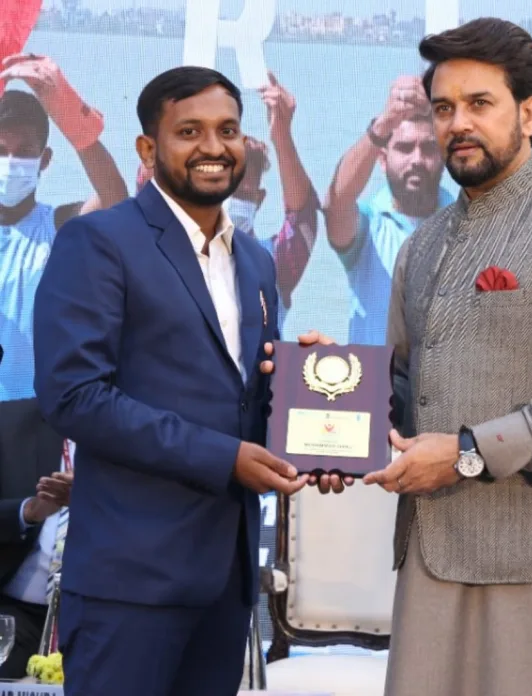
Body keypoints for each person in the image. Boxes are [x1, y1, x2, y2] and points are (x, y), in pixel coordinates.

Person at [31, 66, 341, 696]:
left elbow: (244, 402)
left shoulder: (254, 261)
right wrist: (225, 458)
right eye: (189, 131)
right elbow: (75, 396)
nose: (213, 147)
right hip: (130, 586)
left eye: (227, 130)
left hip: (226, 585)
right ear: (148, 149)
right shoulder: (99, 241)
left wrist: (313, 402)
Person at [362, 18, 532, 696]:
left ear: (529, 113)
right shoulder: (422, 246)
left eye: (479, 104)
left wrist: (465, 453)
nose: (457, 123)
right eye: (443, 108)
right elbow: (403, 386)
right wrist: (328, 392)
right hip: (429, 558)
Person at [136, 72, 319, 336]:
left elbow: (303, 215)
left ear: (259, 200)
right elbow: (149, 179)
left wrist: (281, 135)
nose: (227, 200)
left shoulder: (272, 264)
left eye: (241, 192)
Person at [0, 53, 127, 400]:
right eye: (1, 150)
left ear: (44, 160)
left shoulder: (58, 229)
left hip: (39, 413)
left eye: (24, 151)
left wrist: (71, 117)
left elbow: (115, 200)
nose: (11, 161)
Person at [324, 75, 452, 345]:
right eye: (405, 148)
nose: (417, 159)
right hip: (376, 374)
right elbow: (337, 201)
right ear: (382, 159)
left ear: (443, 157)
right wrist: (384, 123)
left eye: (429, 148)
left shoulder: (468, 224)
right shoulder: (368, 226)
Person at [0, 397, 72, 679]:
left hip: (106, 617)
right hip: (14, 612)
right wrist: (28, 511)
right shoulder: (8, 423)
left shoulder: (142, 437)